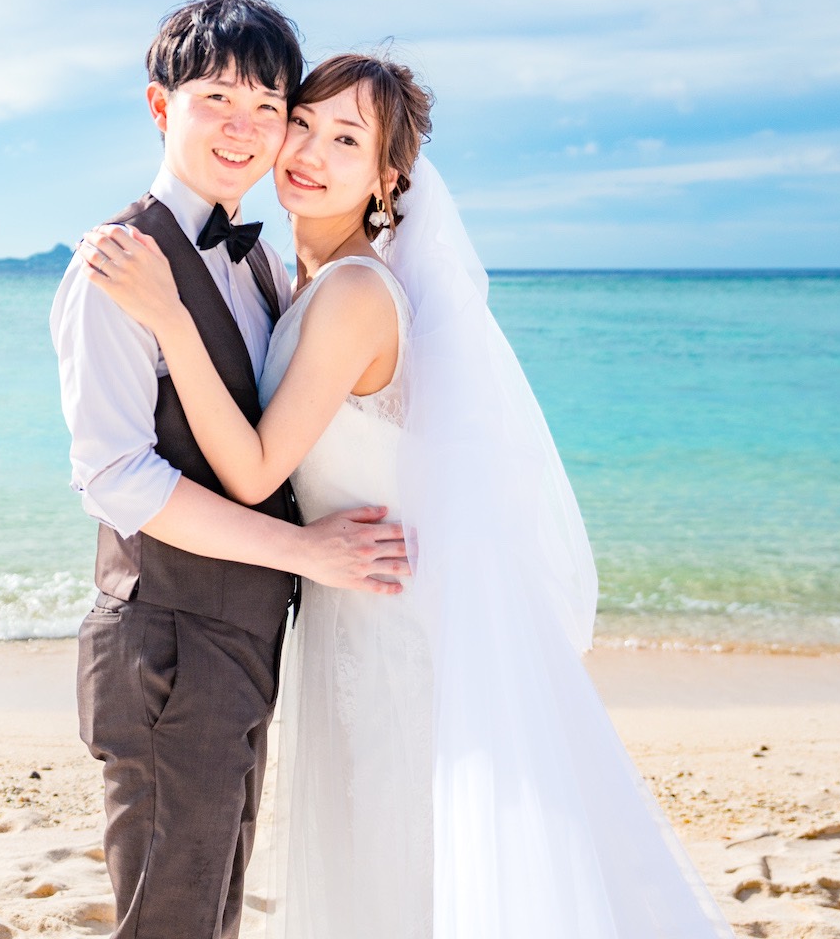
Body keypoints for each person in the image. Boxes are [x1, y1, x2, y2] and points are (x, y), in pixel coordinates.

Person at [81, 53, 734, 938]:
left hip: (388, 624)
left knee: (399, 870)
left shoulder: (353, 291)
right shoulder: (288, 277)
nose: (309, 152)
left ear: (388, 180)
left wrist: (170, 316)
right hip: (342, 610)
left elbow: (256, 472)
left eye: (347, 140)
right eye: (302, 123)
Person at [49, 0, 411, 939]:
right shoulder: (116, 268)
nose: (244, 129)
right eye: (216, 99)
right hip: (166, 642)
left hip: (244, 641)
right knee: (171, 920)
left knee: (213, 914)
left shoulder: (260, 267)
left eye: (267, 106)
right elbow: (118, 479)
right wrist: (306, 553)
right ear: (161, 107)